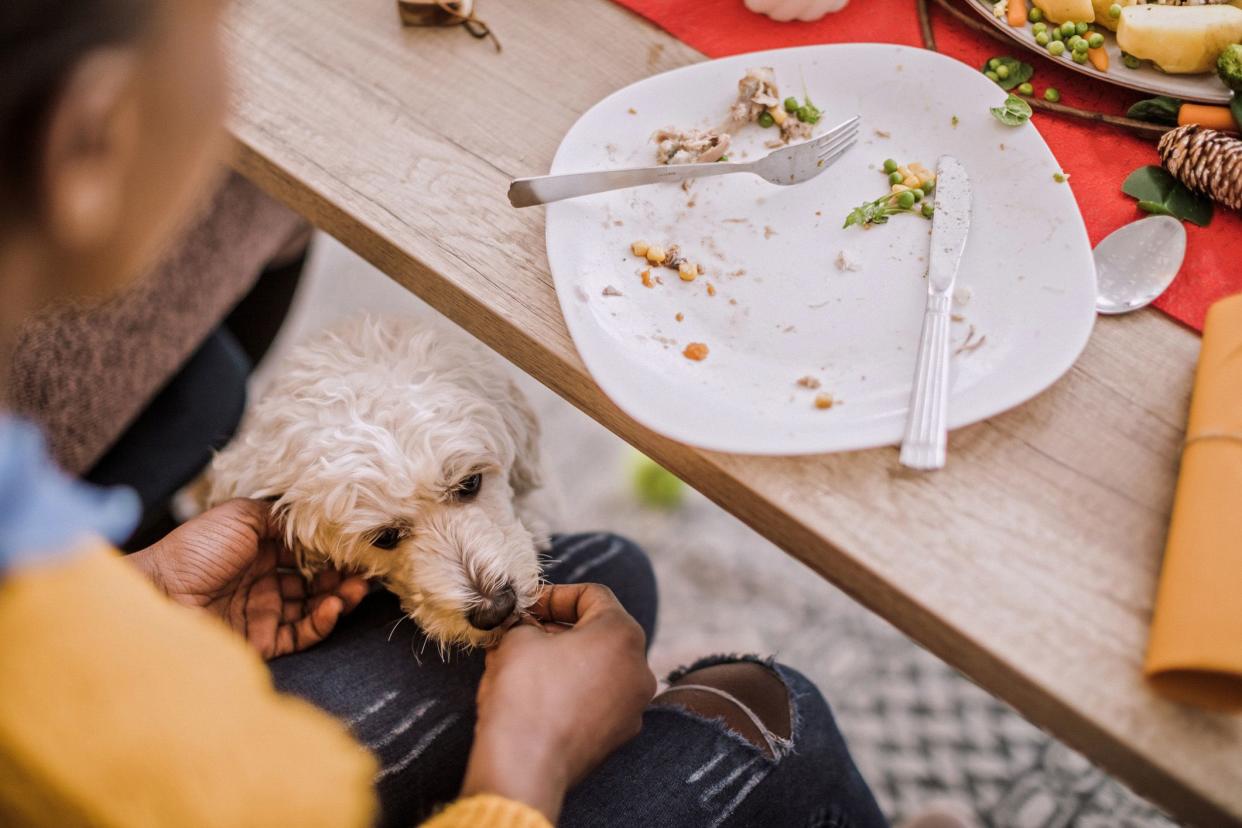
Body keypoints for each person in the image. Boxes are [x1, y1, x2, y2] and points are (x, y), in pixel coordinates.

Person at [0, 1, 889, 827]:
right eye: (223, 27)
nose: (485, 588)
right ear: (93, 134)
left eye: (467, 483)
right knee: (778, 716)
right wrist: (523, 759)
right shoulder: (237, 784)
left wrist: (146, 595)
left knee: (610, 568)